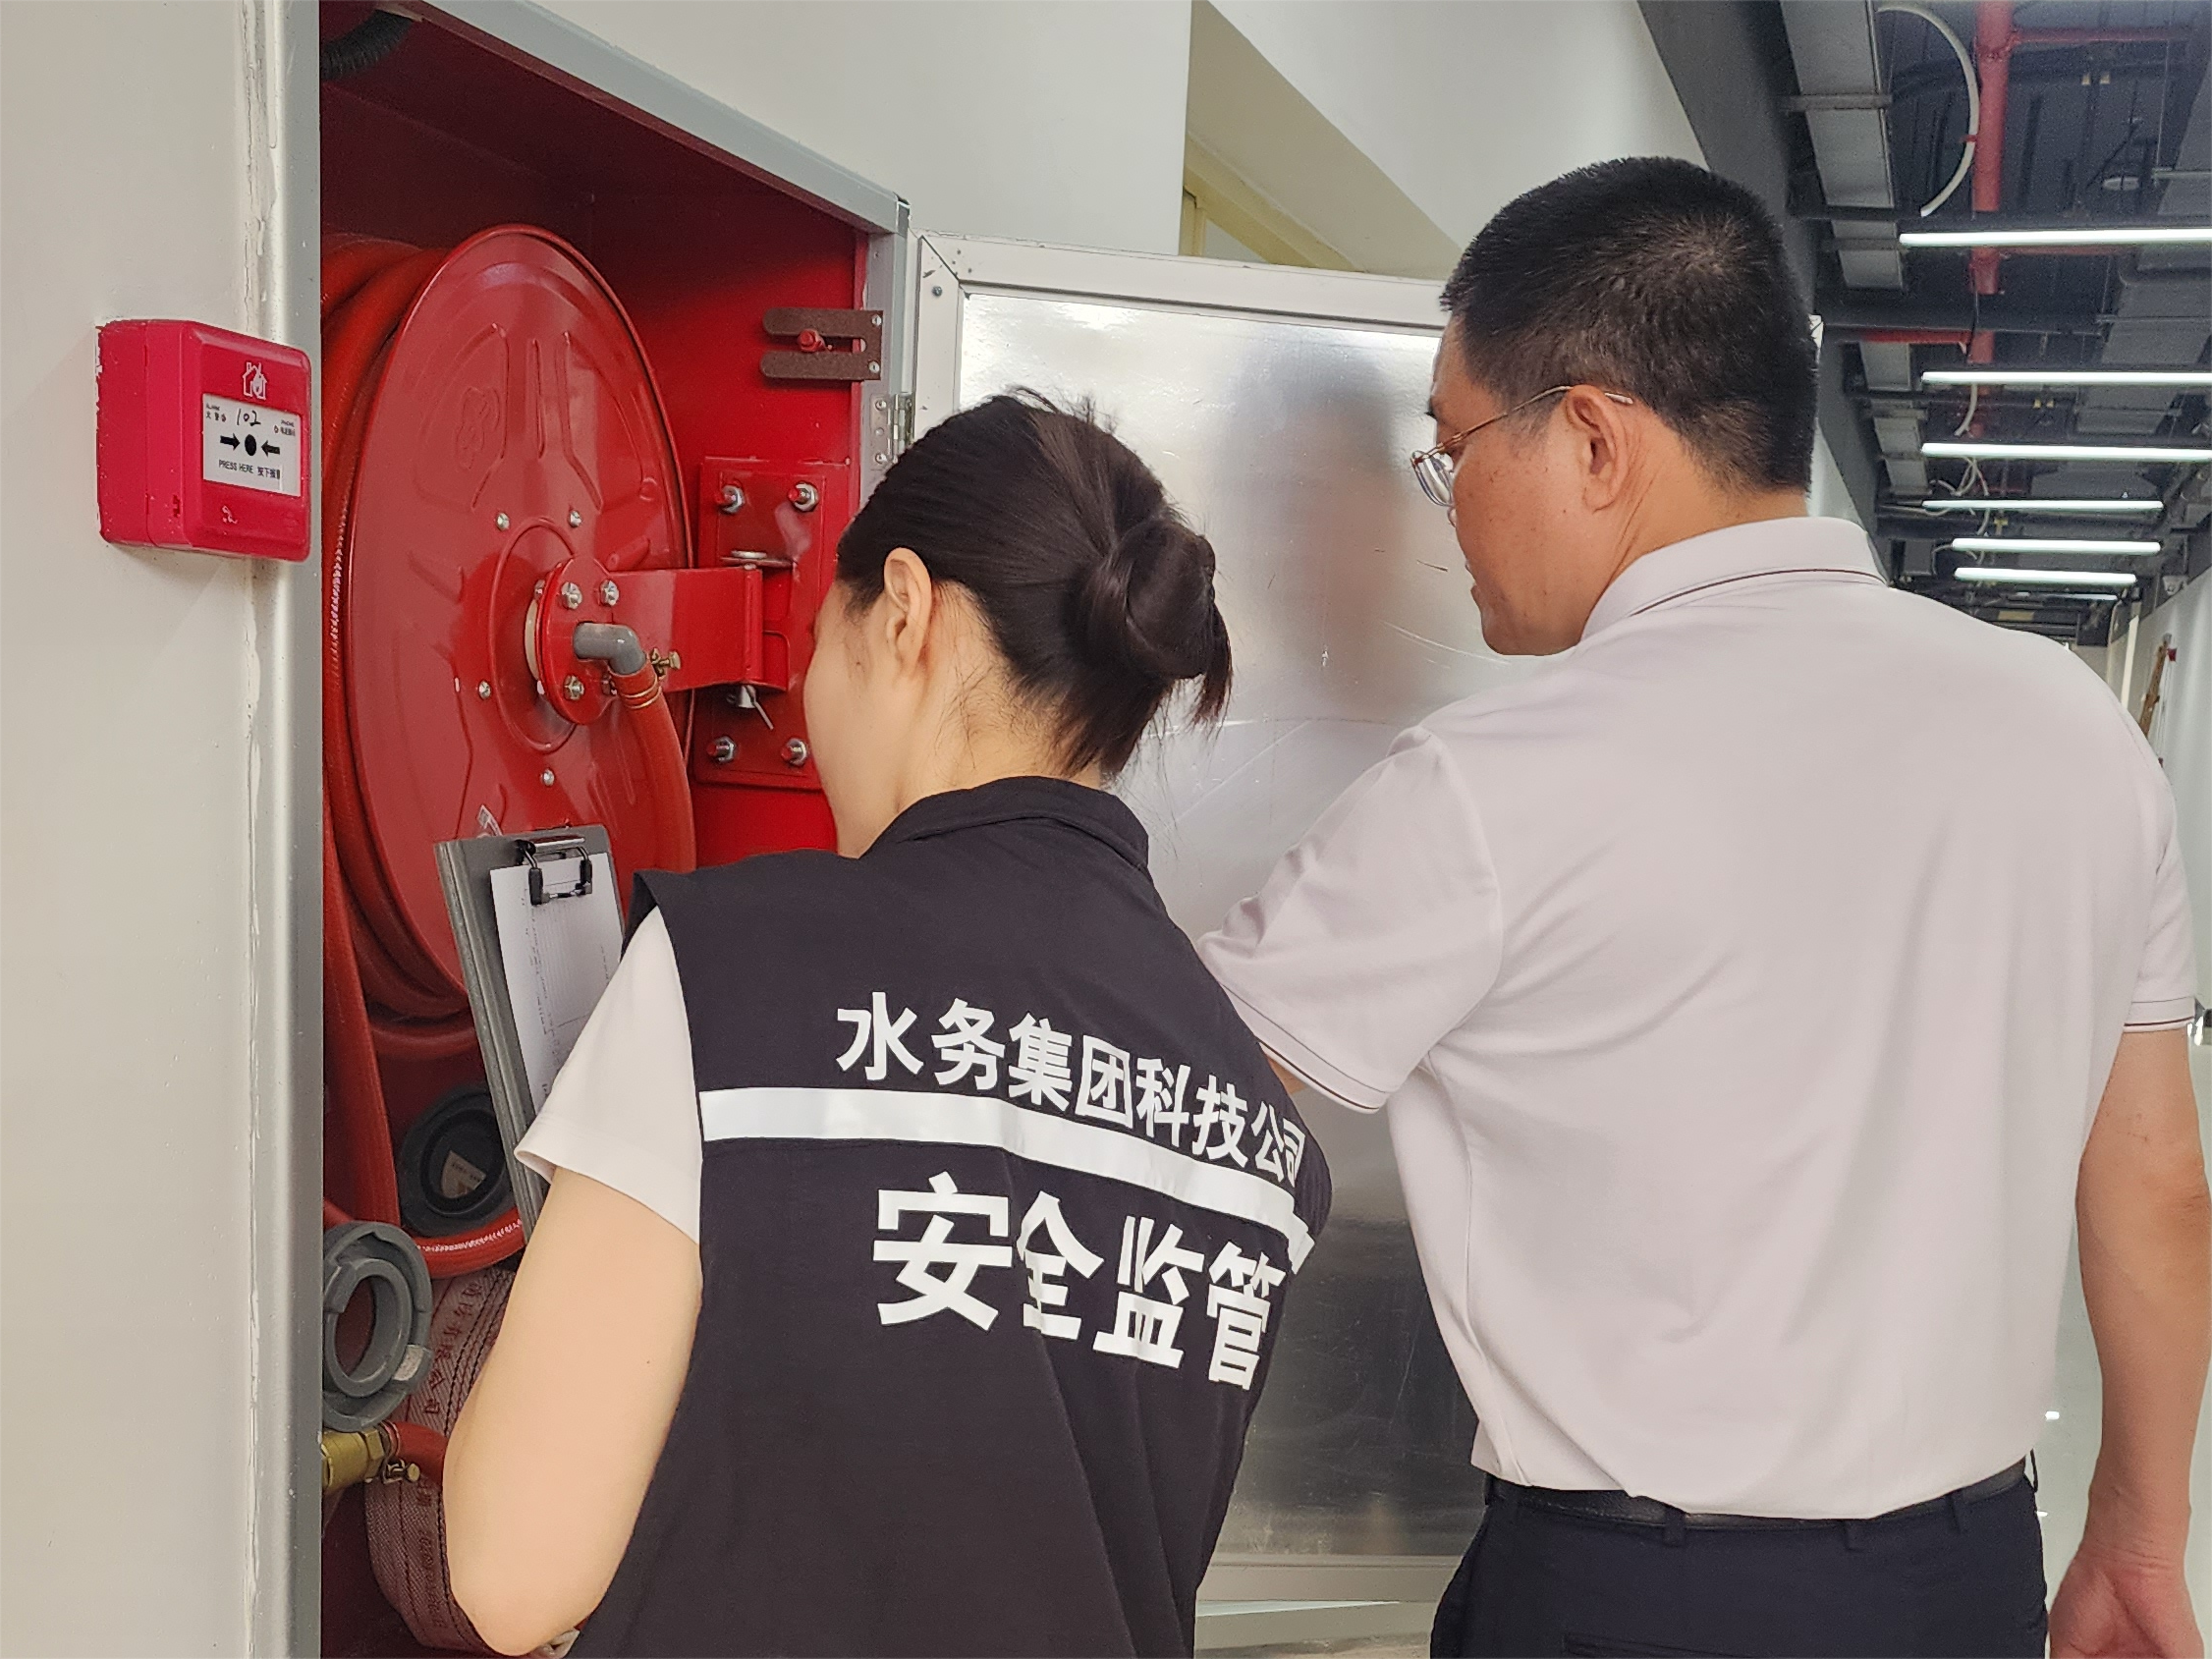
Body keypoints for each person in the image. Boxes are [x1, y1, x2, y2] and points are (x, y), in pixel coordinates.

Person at [1198, 156, 2212, 1659]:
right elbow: (2157, 1189)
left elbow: (1173, 1095)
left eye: (1453, 450)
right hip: (1965, 1579)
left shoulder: (1495, 780)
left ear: (1595, 438)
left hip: (1636, 1602)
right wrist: (2135, 1527)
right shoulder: (2076, 732)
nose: (1449, 508)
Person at [442, 393, 1331, 1658]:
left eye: (822, 638)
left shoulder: (730, 970)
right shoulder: (1253, 1129)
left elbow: (513, 1573)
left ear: (904, 611)